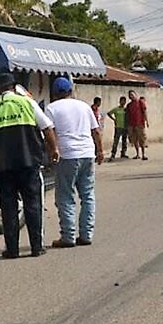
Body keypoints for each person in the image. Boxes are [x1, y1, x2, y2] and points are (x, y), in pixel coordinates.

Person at [0, 73, 59, 259]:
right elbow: (47, 128)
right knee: (33, 204)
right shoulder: (28, 103)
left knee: (8, 208)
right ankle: (36, 247)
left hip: (3, 167)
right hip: (29, 163)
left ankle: (12, 250)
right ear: (14, 87)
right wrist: (53, 149)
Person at [46, 77, 104, 248]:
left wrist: (52, 151)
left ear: (55, 93)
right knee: (87, 195)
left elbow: (50, 133)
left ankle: (68, 236)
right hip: (87, 153)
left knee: (65, 196)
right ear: (71, 91)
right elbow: (96, 131)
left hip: (67, 155)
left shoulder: (51, 108)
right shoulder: (84, 106)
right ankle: (86, 234)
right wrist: (100, 151)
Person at [126, 90, 149, 160]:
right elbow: (127, 115)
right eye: (130, 95)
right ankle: (137, 154)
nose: (131, 96)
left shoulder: (140, 102)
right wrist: (128, 125)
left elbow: (144, 111)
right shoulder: (129, 105)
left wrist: (146, 121)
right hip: (132, 124)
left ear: (135, 94)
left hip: (140, 124)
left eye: (132, 95)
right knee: (135, 140)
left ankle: (143, 154)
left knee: (142, 139)